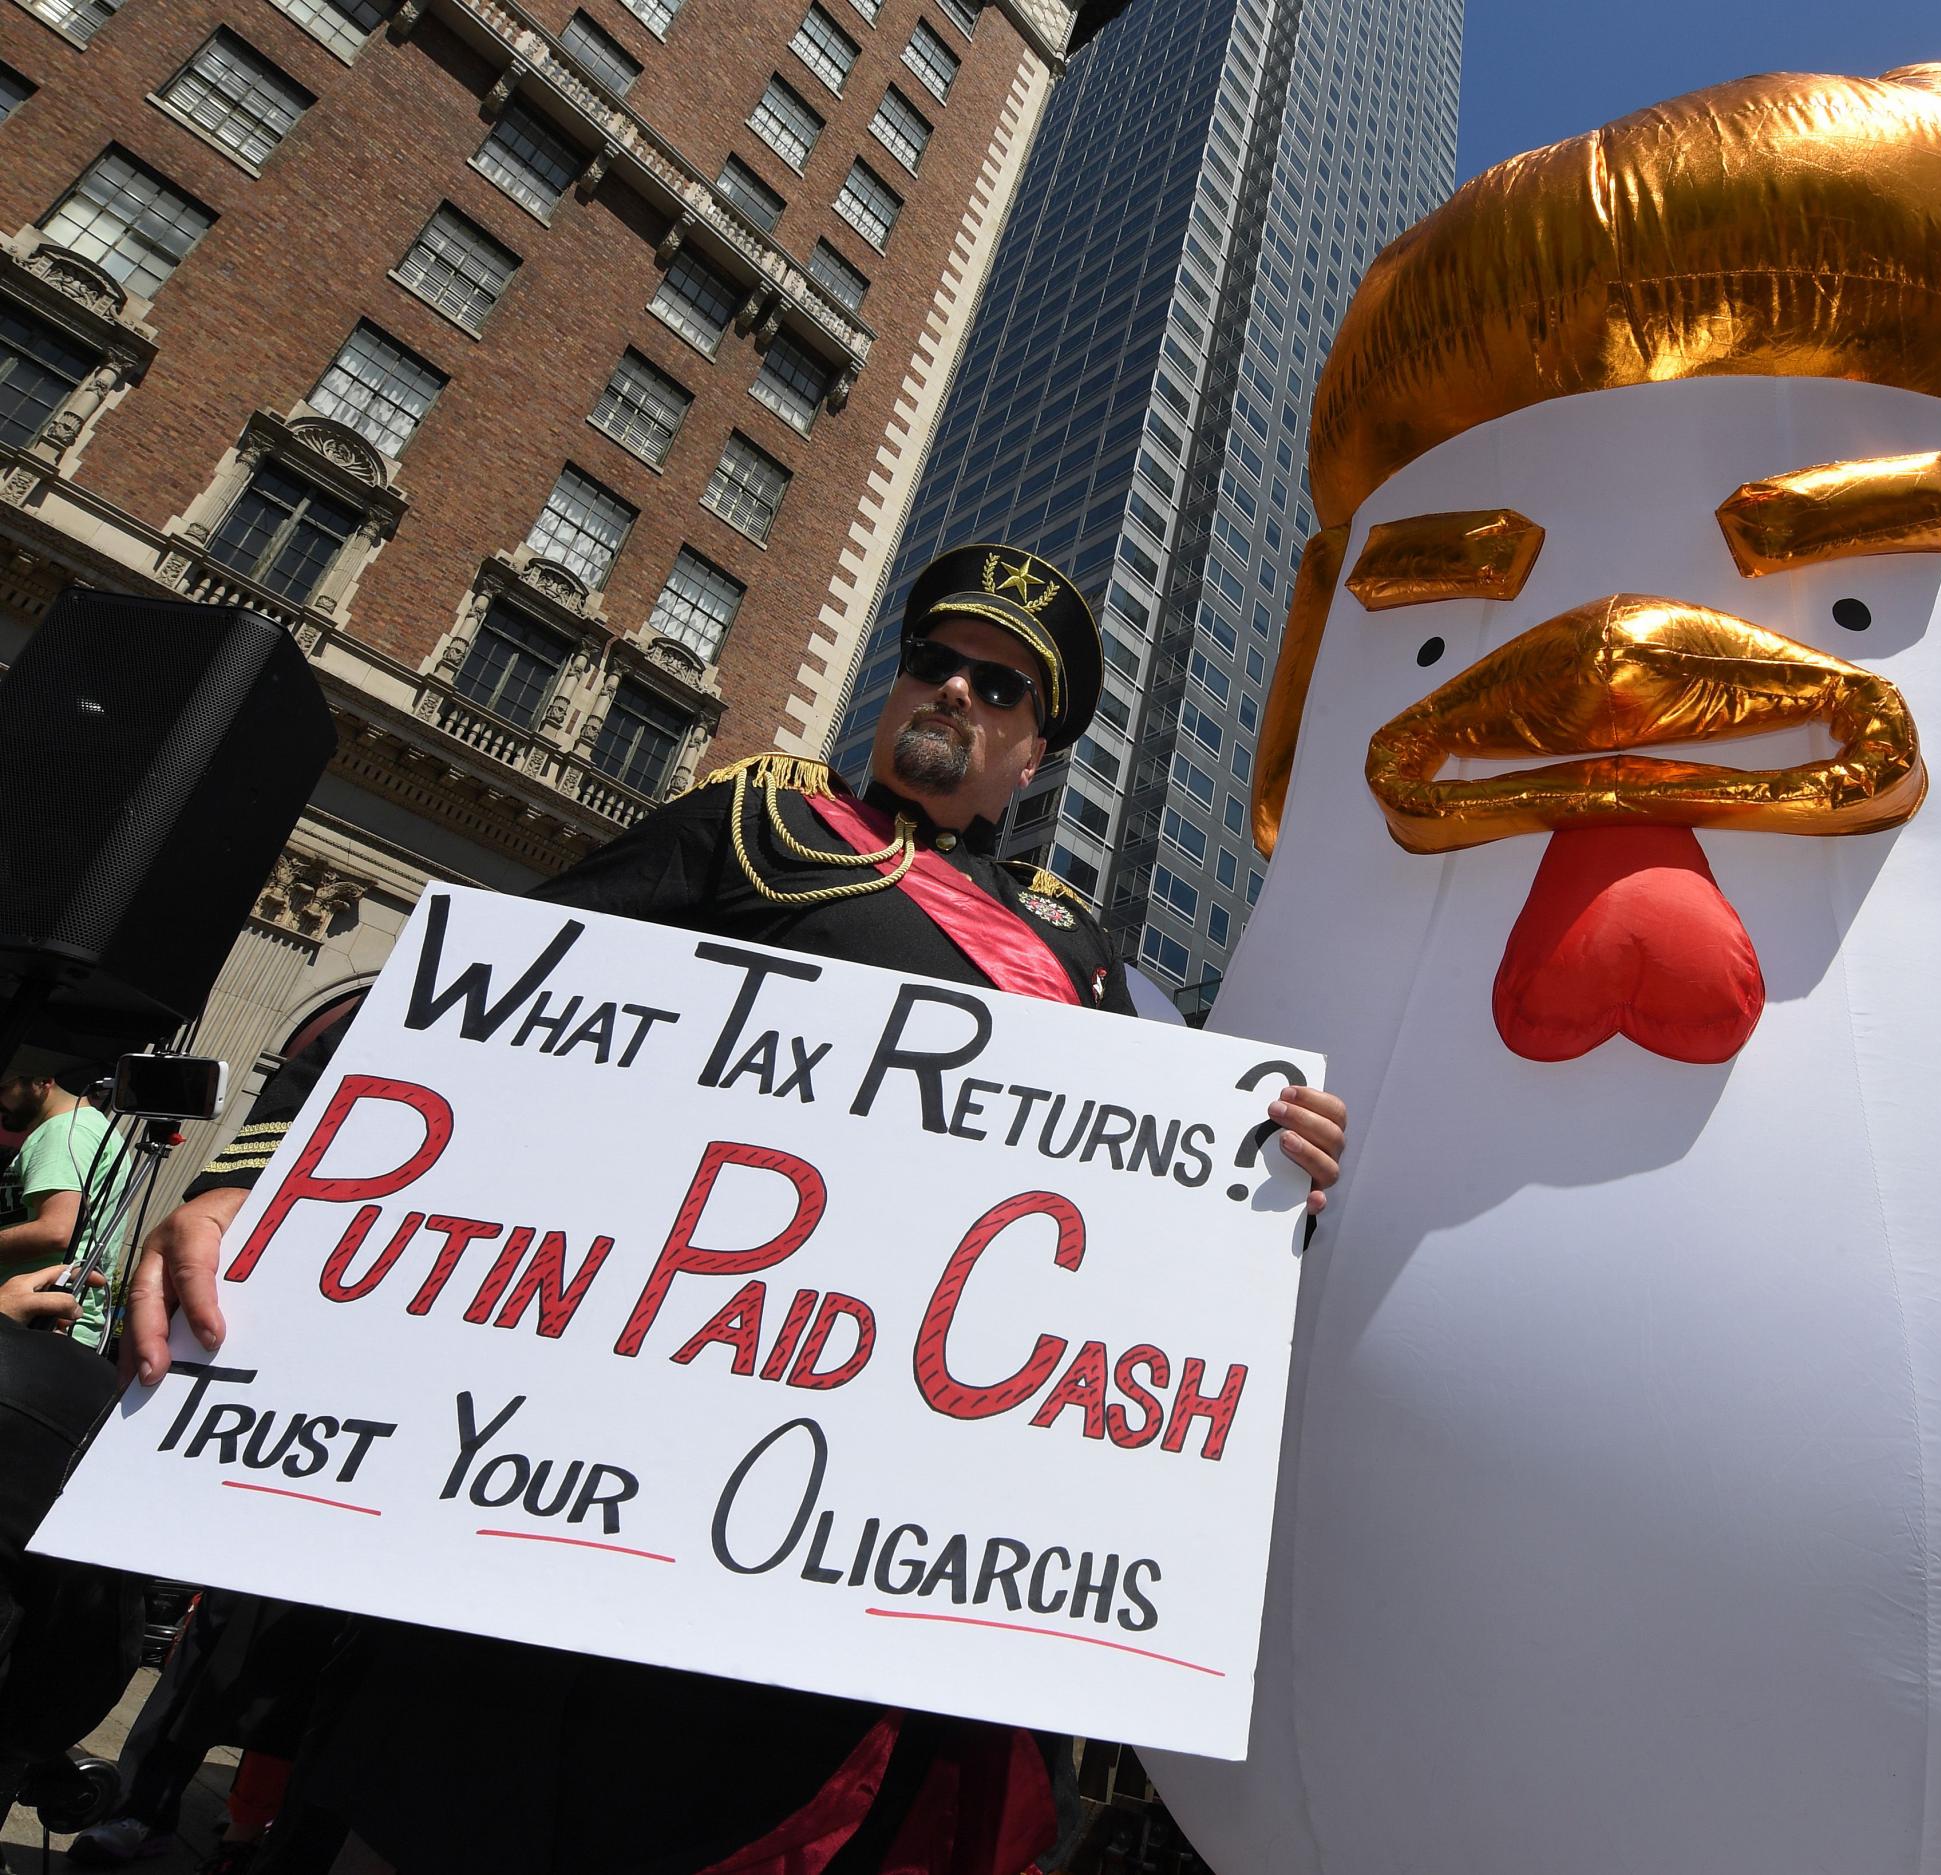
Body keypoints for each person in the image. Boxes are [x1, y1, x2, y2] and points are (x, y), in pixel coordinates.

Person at [123, 541, 1350, 1875]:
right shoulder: (757, 827)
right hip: (594, 1489)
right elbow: (464, 1011)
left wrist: (1271, 1167)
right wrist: (251, 1179)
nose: (952, 691)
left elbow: (1132, 1236)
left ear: (1034, 754)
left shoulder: (1077, 957)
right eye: (932, 661)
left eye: (998, 687)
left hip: (856, 1538)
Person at [0, 1063, 131, 1349]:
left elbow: (56, 1231)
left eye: (5, 1085)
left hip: (37, 1325)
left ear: (42, 1081)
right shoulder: (89, 1128)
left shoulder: (63, 1132)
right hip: (49, 1320)